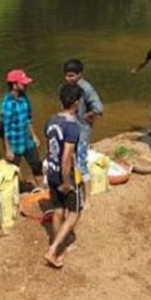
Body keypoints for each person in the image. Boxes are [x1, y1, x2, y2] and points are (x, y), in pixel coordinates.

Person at [43, 83, 84, 268]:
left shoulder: (51, 120)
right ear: (76, 103)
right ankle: (53, 250)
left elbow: (50, 146)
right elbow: (67, 156)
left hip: (50, 170)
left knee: (58, 210)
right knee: (75, 212)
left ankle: (56, 244)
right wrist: (66, 183)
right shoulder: (72, 126)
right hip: (63, 174)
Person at [63, 59, 103, 205]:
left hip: (82, 131)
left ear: (80, 75)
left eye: (71, 76)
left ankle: (87, 199)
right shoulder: (67, 88)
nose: (68, 79)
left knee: (81, 162)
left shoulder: (86, 89)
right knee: (70, 159)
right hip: (70, 130)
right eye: (66, 75)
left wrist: (87, 116)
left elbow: (99, 108)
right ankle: (75, 187)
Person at [0, 69, 43, 190]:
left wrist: (34, 136)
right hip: (14, 143)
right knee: (13, 171)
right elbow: (5, 129)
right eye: (23, 83)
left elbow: (28, 119)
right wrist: (8, 150)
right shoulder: (8, 104)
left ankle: (41, 188)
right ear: (14, 85)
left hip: (27, 140)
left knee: (36, 165)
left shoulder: (24, 98)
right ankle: (16, 192)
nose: (26, 85)